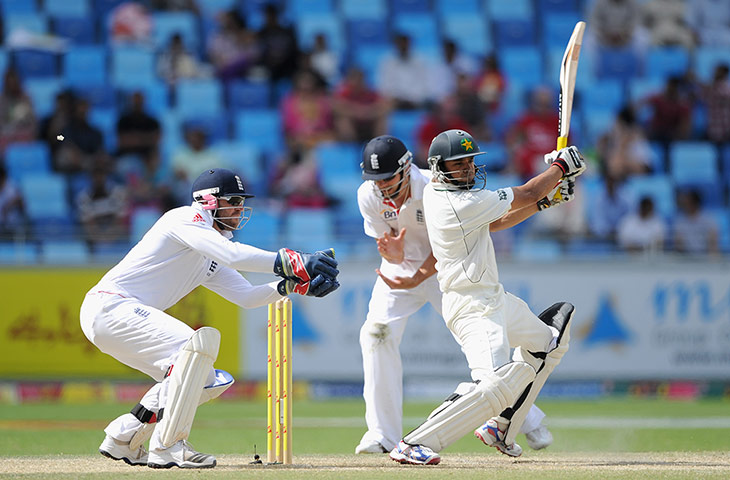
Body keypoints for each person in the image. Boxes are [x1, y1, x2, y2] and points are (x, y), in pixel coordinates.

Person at [81, 168, 340, 469]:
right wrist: (294, 261)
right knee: (195, 348)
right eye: (233, 201)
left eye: (242, 202)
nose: (240, 209)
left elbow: (246, 295)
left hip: (115, 316)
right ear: (208, 201)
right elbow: (233, 255)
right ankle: (167, 447)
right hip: (110, 306)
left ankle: (123, 437)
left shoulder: (208, 253)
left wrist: (293, 285)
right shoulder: (183, 220)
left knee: (204, 378)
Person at [389, 129, 584, 465]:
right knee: (493, 388)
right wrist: (560, 169)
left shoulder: (452, 195)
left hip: (493, 298)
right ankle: (414, 443)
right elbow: (525, 191)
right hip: (472, 307)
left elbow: (497, 221)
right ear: (438, 167)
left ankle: (504, 426)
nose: (467, 168)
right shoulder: (456, 202)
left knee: (547, 343)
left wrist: (547, 199)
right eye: (458, 163)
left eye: (470, 162)